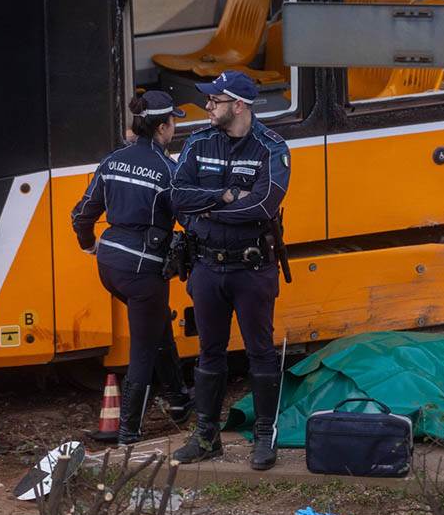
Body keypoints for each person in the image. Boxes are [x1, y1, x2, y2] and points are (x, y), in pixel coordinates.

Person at [170, 71, 290, 471]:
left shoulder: (271, 148)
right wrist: (221, 196)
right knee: (209, 352)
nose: (206, 107)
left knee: (260, 352)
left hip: (252, 268)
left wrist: (205, 208)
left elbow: (262, 206)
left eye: (214, 101)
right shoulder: (198, 141)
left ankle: (264, 438)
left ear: (238, 105)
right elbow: (176, 195)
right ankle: (206, 437)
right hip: (205, 265)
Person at [71, 90, 194, 444]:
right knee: (142, 347)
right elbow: (188, 219)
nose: (174, 129)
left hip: (109, 265)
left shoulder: (113, 161)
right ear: (162, 127)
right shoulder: (169, 171)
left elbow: (83, 213)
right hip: (144, 270)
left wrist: (89, 244)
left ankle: (178, 399)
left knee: (157, 327)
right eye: (173, 123)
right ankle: (129, 429)